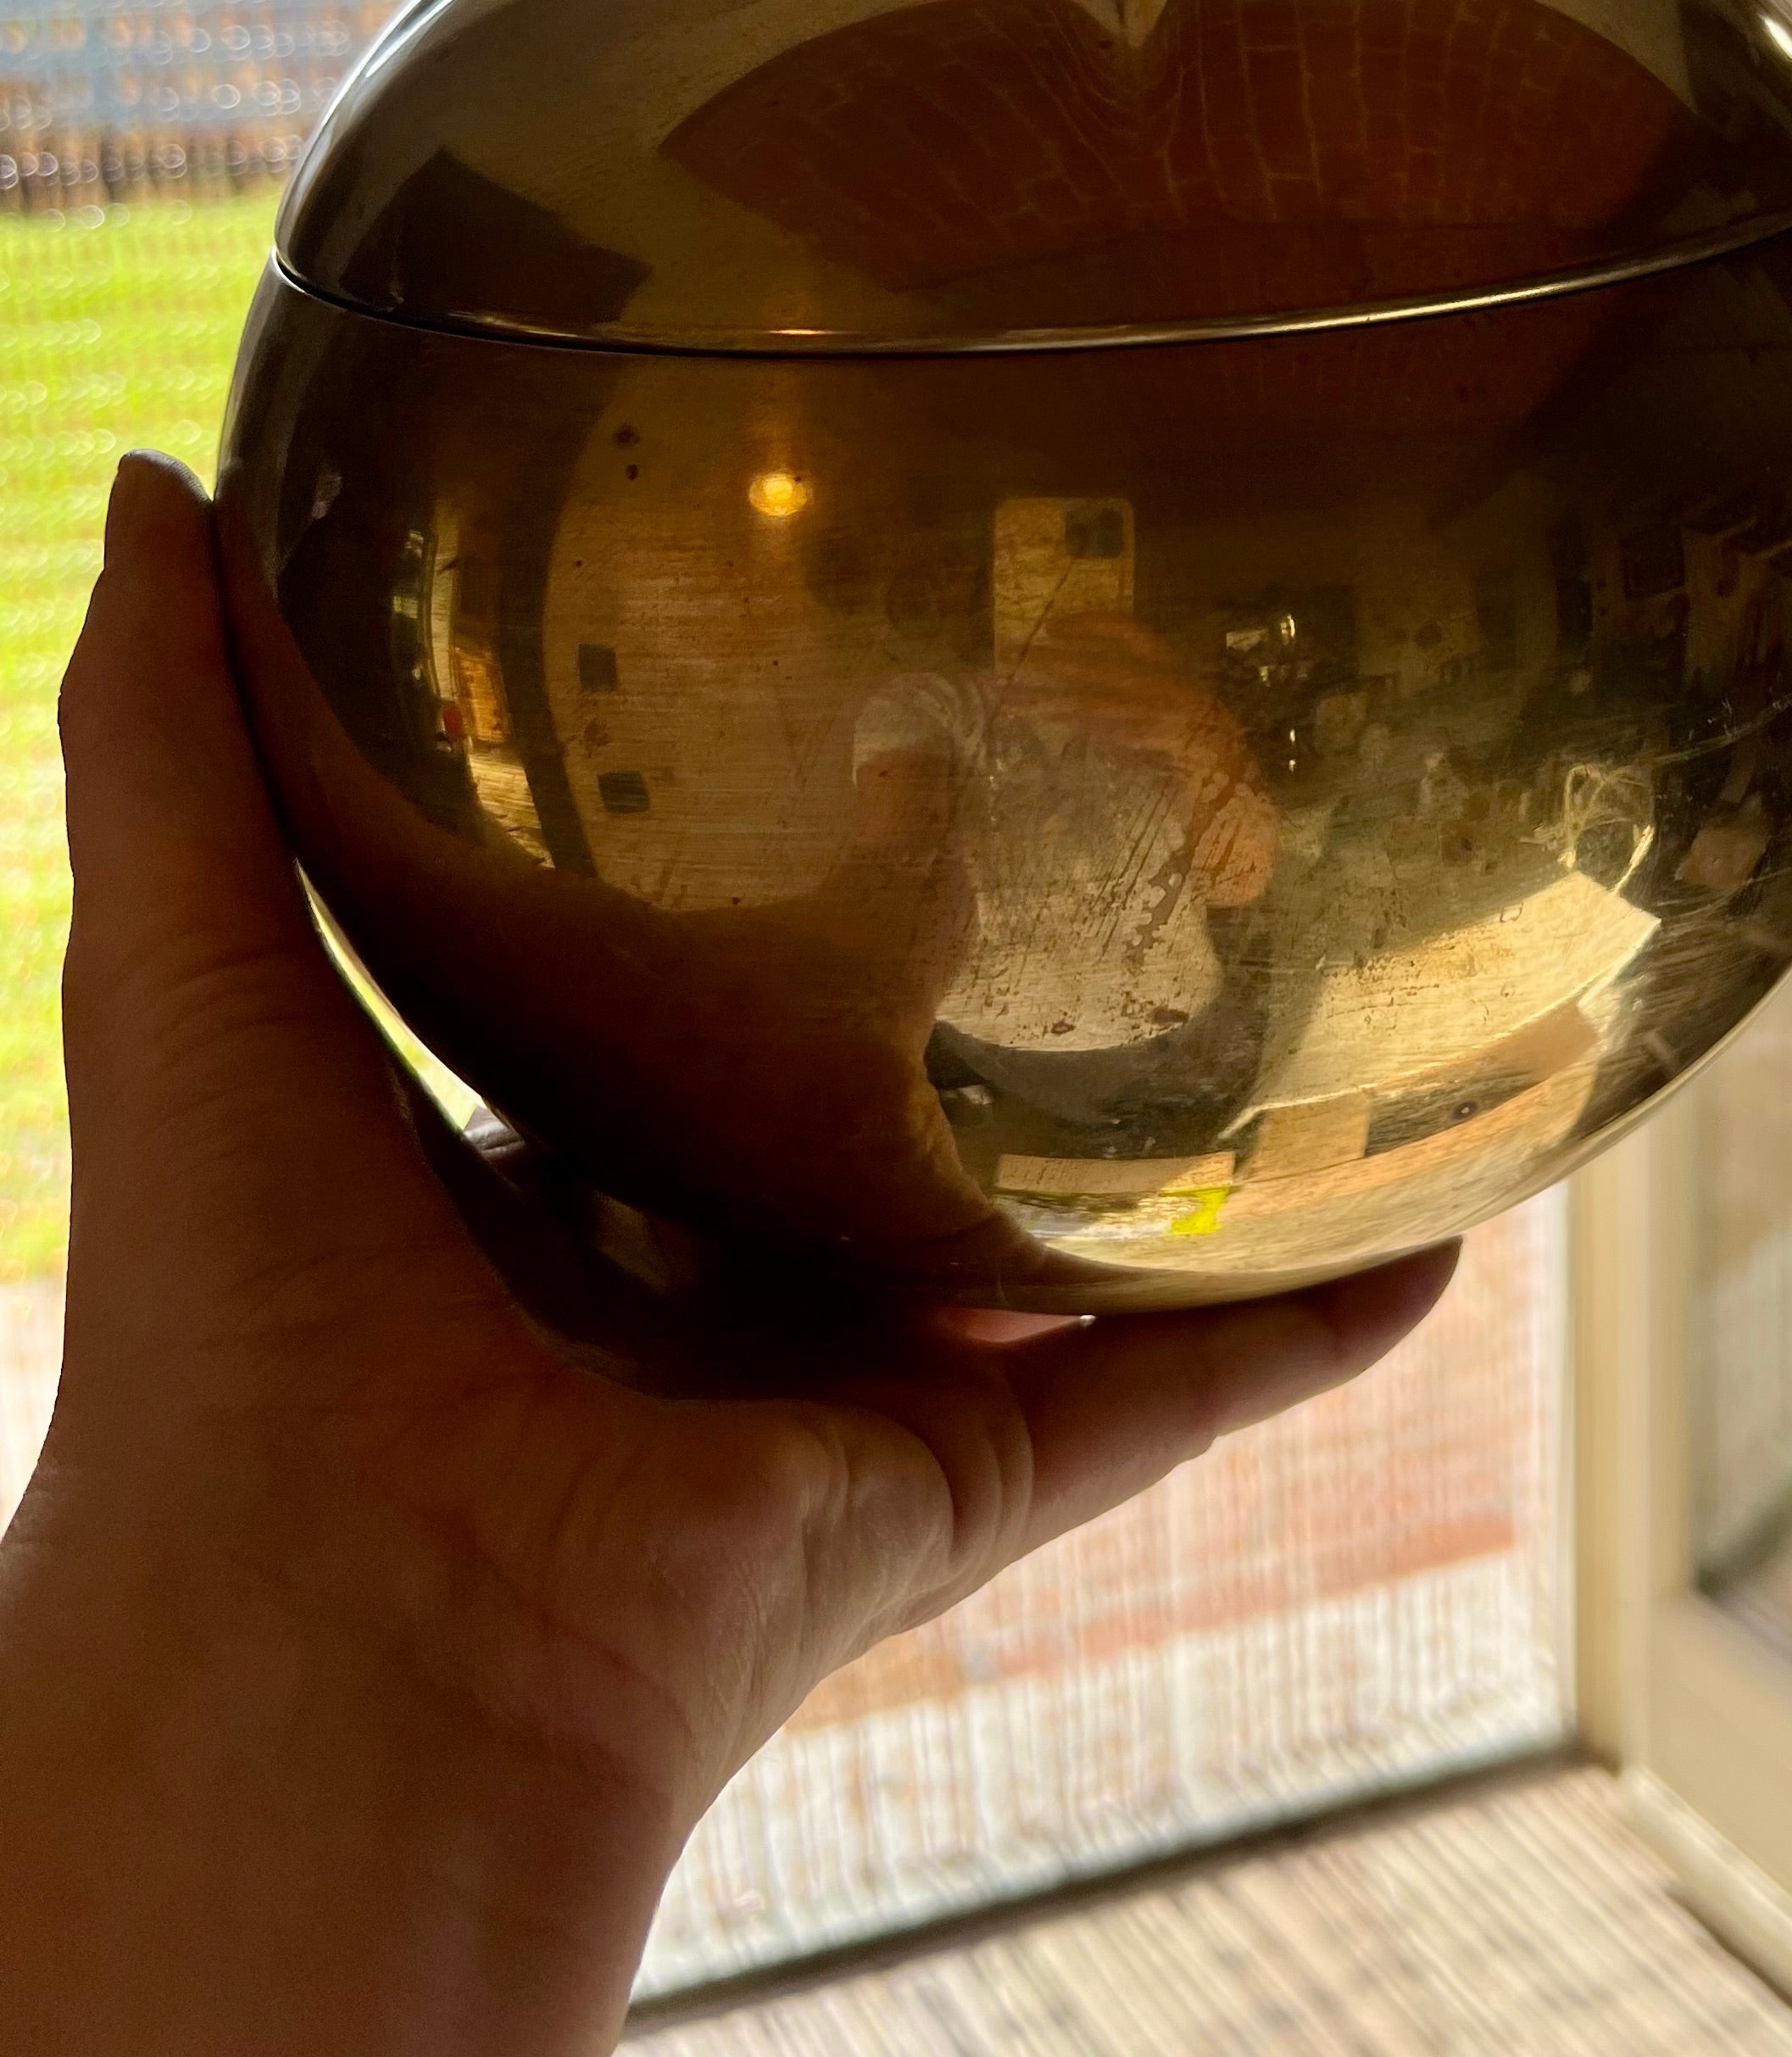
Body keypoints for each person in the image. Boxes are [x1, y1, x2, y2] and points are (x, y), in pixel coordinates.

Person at [0, 458, 1454, 2056]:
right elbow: (896, 874)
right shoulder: (915, 706)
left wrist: (1187, 750)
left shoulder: (1158, 691)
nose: (1047, 588)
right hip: (987, 1073)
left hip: (1165, 1060)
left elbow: (1247, 880)